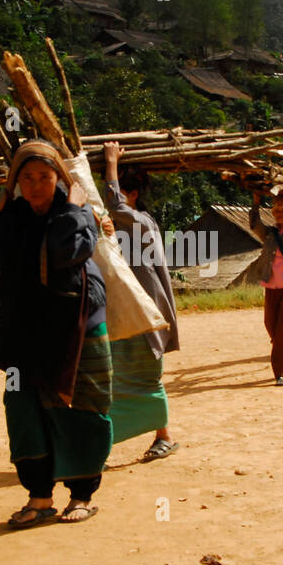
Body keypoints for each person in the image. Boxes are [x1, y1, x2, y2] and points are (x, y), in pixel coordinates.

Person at [0, 140, 111, 527]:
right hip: (23, 330)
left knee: (84, 408)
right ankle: (40, 496)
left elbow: (67, 252)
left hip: (79, 326)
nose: (34, 185)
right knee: (22, 409)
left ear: (59, 178)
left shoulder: (79, 213)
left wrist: (70, 208)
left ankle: (82, 495)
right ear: (14, 181)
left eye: (44, 177)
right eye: (26, 177)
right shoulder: (12, 217)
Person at [100, 140, 180, 461]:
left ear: (132, 195)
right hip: (131, 313)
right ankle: (161, 435)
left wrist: (109, 162)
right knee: (119, 377)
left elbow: (116, 207)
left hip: (148, 316)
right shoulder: (120, 227)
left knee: (145, 376)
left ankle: (161, 436)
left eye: (121, 191)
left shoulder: (141, 222)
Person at [249, 183, 283, 386]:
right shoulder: (270, 234)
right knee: (271, 327)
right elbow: (255, 225)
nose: (279, 213)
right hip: (272, 286)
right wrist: (256, 203)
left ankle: (282, 373)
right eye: (276, 210)